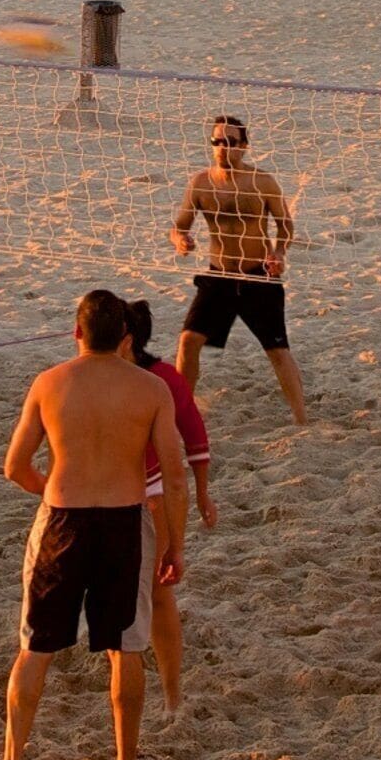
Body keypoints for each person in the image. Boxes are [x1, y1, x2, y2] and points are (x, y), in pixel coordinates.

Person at [0, 289, 189, 760]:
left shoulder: (49, 383)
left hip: (63, 520)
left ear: (76, 332)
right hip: (125, 522)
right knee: (126, 649)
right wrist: (175, 548)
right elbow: (174, 475)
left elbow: (14, 467)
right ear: (126, 338)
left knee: (35, 648)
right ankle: (126, 759)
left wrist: (54, 489)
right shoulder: (150, 390)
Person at [171, 114, 304, 422]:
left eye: (229, 142)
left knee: (278, 352)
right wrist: (180, 239)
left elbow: (285, 225)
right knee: (188, 341)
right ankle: (182, 413)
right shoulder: (201, 182)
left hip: (258, 275)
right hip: (219, 275)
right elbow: (179, 225)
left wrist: (280, 253)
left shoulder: (262, 182)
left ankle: (302, 419)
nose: (221, 148)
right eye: (216, 142)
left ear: (243, 146)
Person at [124, 298, 212, 716]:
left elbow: (195, 436)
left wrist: (203, 494)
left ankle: (172, 696)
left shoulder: (163, 379)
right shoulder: (89, 376)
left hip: (150, 491)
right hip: (100, 494)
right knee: (126, 599)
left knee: (158, 595)